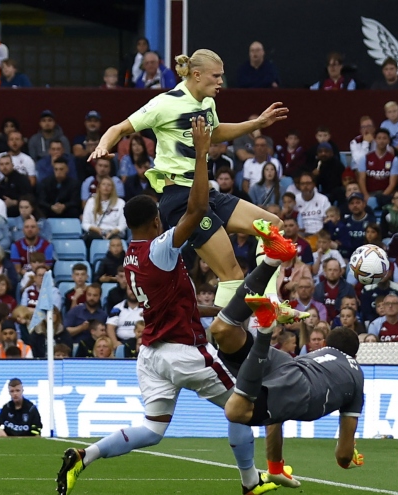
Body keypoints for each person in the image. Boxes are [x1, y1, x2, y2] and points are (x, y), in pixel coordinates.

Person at [57, 116, 299, 495]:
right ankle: (251, 482)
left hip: (151, 355)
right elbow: (197, 210)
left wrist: (218, 312)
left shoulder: (131, 257)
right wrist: (201, 155)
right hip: (184, 351)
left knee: (152, 430)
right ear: (157, 220)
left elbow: (171, 299)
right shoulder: (159, 248)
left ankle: (84, 456)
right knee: (243, 404)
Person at [88, 48, 289, 371]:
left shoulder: (207, 103)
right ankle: (222, 346)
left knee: (273, 226)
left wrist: (257, 123)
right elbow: (120, 128)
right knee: (231, 275)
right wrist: (102, 146)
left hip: (204, 190)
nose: (221, 82)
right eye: (216, 76)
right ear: (197, 75)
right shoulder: (165, 103)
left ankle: (271, 302)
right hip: (180, 199)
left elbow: (216, 132)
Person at [224, 318, 364, 482]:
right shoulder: (356, 374)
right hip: (307, 390)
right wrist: (346, 458)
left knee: (233, 341)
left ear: (324, 344)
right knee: (236, 412)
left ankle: (227, 328)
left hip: (288, 363)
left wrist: (275, 466)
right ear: (355, 356)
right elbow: (343, 455)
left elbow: (276, 413)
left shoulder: (314, 354)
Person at [82, 176, 127, 245]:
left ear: (113, 188)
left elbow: (123, 224)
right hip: (96, 232)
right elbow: (85, 223)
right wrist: (96, 230)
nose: (106, 187)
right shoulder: (91, 202)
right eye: (103, 184)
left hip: (114, 233)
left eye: (109, 185)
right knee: (89, 237)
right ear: (99, 187)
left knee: (115, 241)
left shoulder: (120, 203)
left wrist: (112, 232)